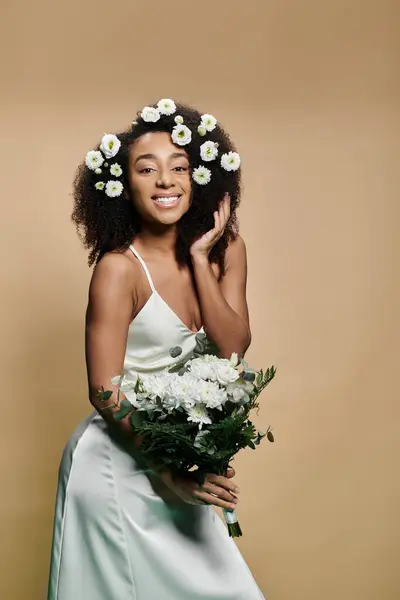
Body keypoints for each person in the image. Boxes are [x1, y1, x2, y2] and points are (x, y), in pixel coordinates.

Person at [47, 99, 265, 599]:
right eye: (147, 169)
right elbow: (104, 390)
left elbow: (234, 345)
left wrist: (198, 255)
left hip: (177, 460)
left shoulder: (225, 249)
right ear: (125, 186)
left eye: (179, 167)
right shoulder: (118, 269)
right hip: (116, 464)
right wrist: (169, 471)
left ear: (201, 178)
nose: (165, 180)